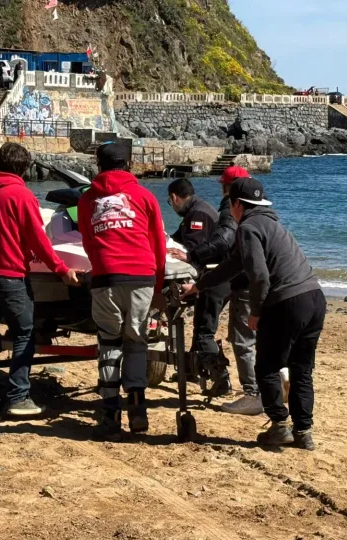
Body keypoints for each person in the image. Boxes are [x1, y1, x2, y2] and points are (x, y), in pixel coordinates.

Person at [183, 178, 326, 450]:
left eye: (230, 204)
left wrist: (257, 312)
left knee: (267, 367)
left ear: (237, 204)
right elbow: (232, 266)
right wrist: (198, 286)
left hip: (287, 301)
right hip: (315, 298)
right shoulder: (272, 224)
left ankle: (280, 425)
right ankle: (304, 431)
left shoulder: (248, 227)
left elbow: (259, 276)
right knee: (301, 369)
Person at [0, 142, 81, 421]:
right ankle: (18, 397)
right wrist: (61, 269)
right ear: (22, 168)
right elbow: (37, 239)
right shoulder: (20, 195)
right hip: (8, 276)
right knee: (24, 332)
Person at [78, 142, 167, 441]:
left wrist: (99, 267)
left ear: (98, 166)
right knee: (136, 340)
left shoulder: (87, 199)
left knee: (109, 343)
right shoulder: (144, 196)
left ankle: (110, 412)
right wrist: (158, 284)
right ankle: (138, 407)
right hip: (142, 275)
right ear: (128, 165)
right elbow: (157, 244)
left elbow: (89, 242)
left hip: (106, 278)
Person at [167, 165, 261, 414]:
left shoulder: (231, 207)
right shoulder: (260, 209)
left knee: (216, 333)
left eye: (223, 185)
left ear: (228, 188)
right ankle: (253, 384)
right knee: (248, 336)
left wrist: (192, 256)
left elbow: (224, 240)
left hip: (231, 276)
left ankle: (235, 385)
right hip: (248, 278)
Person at [167, 178, 231, 395]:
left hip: (214, 278)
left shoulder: (199, 214)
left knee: (204, 330)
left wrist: (193, 284)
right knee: (200, 325)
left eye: (170, 202)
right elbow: (176, 240)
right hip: (217, 277)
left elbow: (196, 252)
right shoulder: (193, 212)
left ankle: (222, 378)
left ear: (174, 198)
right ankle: (193, 371)